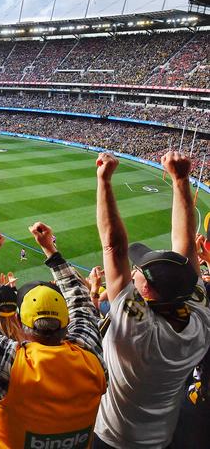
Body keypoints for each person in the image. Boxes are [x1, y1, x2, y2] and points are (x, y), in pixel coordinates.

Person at [93, 151, 210, 449]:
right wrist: (181, 180)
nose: (134, 270)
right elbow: (185, 247)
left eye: (140, 272)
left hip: (111, 439)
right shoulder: (197, 321)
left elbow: (113, 246)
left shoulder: (138, 330)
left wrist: (104, 179)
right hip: (161, 441)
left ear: (147, 292)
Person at [0, 224, 106, 449]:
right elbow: (81, 301)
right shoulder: (90, 354)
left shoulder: (11, 363)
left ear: (21, 322)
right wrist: (51, 249)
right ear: (67, 323)